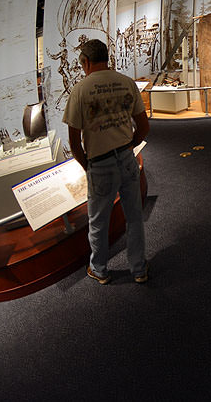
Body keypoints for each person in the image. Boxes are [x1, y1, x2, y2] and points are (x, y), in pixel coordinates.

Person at [63, 39, 150, 285]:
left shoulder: (80, 90)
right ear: (107, 58)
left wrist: (87, 165)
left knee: (98, 221)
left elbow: (74, 140)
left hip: (99, 164)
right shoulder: (126, 82)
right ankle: (139, 269)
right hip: (126, 158)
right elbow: (143, 127)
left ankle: (99, 269)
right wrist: (128, 147)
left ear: (86, 62)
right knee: (134, 217)